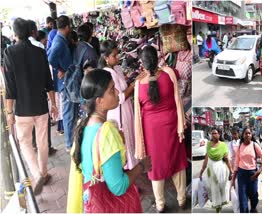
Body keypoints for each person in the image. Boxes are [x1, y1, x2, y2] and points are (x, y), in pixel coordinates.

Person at [69, 69, 151, 212]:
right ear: (99, 101)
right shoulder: (106, 133)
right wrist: (142, 166)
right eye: (112, 90)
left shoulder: (85, 124)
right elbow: (118, 187)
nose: (117, 92)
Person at [3, 18, 58, 195]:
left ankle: (36, 174)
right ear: (30, 32)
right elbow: (47, 80)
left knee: (25, 142)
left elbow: (10, 86)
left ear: (15, 33)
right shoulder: (39, 51)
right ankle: (43, 172)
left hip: (23, 110)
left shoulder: (10, 52)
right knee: (42, 142)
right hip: (41, 105)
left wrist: (9, 111)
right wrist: (54, 103)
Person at [135, 45, 188, 212]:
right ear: (157, 59)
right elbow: (179, 76)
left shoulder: (139, 84)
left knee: (155, 166)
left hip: (151, 130)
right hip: (172, 125)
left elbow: (138, 110)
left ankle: (160, 205)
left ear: (142, 64)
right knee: (177, 162)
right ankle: (182, 199)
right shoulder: (168, 74)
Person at [98, 40, 142, 170]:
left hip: (126, 110)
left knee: (130, 138)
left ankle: (132, 168)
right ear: (106, 58)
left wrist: (131, 81)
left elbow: (123, 86)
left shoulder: (116, 68)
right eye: (114, 56)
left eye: (117, 54)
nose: (117, 58)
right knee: (124, 140)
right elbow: (119, 98)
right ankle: (128, 172)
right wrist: (134, 85)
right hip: (118, 112)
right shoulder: (108, 73)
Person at [28, 20, 57, 155]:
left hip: (27, 93)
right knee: (43, 123)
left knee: (33, 122)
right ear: (34, 31)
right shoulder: (39, 46)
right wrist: (53, 101)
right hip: (40, 90)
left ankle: (35, 144)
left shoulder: (14, 49)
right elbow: (46, 74)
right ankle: (46, 148)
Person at [47, 15, 74, 153]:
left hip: (66, 81)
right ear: (67, 27)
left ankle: (71, 141)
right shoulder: (59, 41)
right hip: (65, 83)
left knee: (69, 111)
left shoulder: (60, 38)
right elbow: (50, 59)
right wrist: (61, 69)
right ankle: (69, 144)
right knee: (68, 113)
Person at [231, 127, 262, 213]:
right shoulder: (239, 147)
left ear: (251, 135)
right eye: (246, 133)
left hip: (253, 175)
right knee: (243, 199)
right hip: (241, 175)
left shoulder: (255, 145)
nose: (247, 135)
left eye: (249, 133)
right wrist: (233, 179)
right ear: (243, 135)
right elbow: (236, 163)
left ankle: (253, 208)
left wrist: (258, 172)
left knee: (254, 196)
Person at [199, 128, 233, 212]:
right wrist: (201, 171)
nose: (213, 135)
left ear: (219, 134)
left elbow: (227, 159)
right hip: (211, 172)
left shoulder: (223, 145)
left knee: (220, 189)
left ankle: (218, 208)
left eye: (215, 133)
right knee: (213, 189)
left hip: (220, 171)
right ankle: (217, 207)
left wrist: (231, 171)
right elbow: (206, 159)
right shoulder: (208, 145)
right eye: (212, 133)